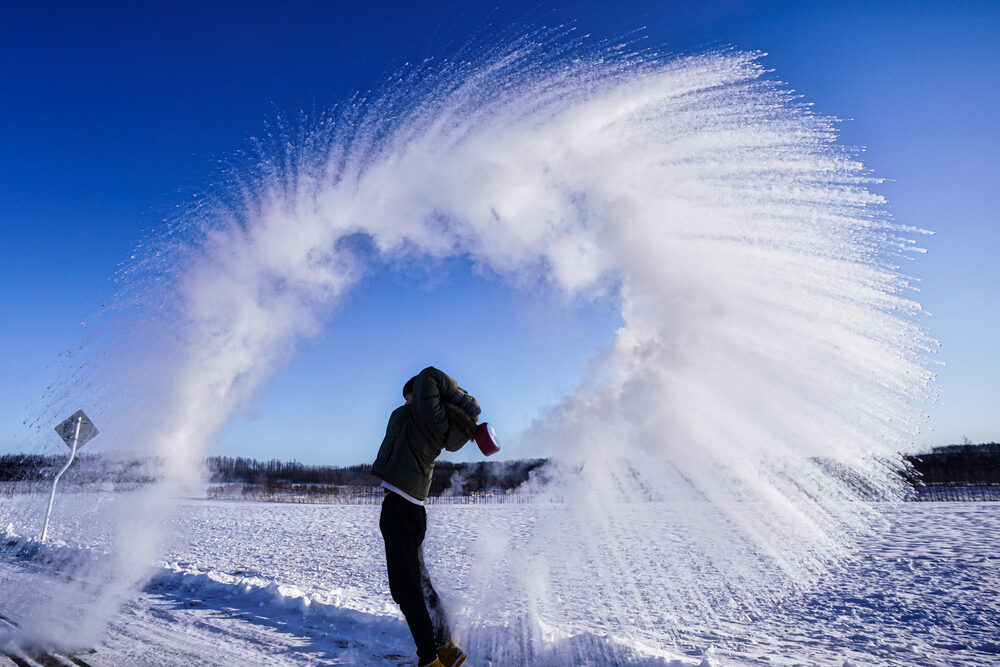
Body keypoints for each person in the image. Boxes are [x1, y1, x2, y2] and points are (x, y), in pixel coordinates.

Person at [371, 366, 480, 667]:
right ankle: (446, 647)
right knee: (420, 584)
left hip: (400, 509)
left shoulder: (424, 415)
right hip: (412, 509)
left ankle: (429, 659)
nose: (405, 404)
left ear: (418, 397)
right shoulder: (432, 423)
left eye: (410, 398)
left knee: (406, 591)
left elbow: (429, 374)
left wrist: (455, 393)